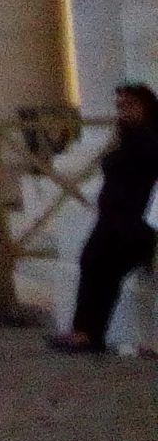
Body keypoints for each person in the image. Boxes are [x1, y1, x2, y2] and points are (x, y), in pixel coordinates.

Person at [50, 82, 158, 352]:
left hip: (135, 223)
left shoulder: (149, 138)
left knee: (104, 268)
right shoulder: (125, 137)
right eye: (120, 106)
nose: (122, 112)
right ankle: (84, 330)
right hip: (113, 220)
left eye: (129, 106)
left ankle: (88, 332)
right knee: (92, 263)